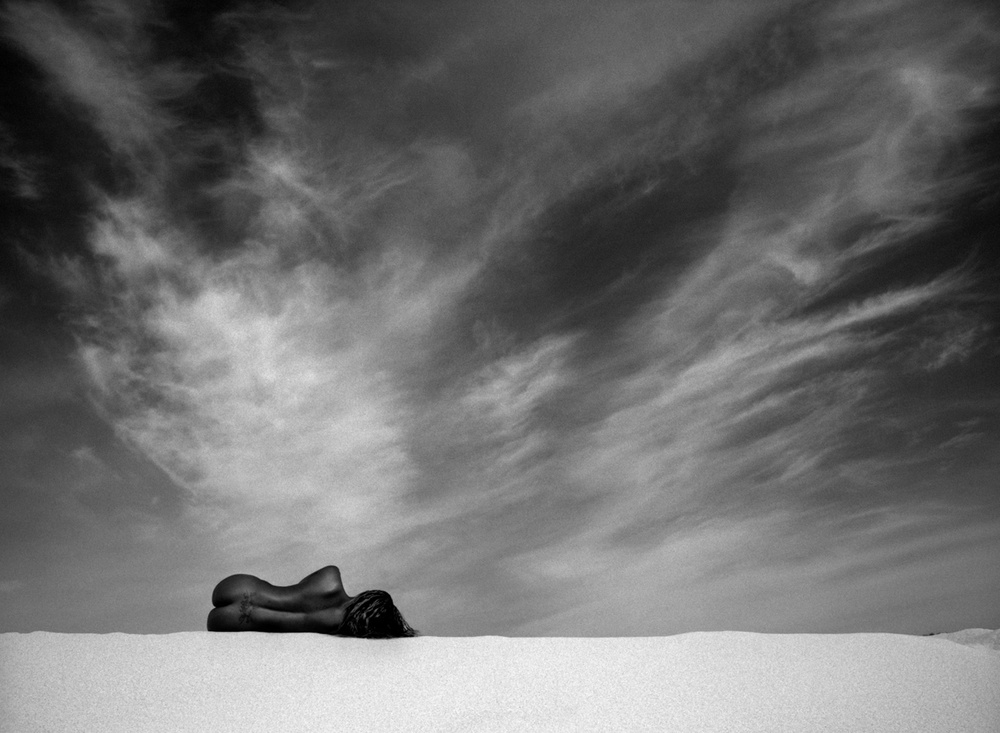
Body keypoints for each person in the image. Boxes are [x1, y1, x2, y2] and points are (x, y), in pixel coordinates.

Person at [207, 565, 418, 638]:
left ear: (366, 596)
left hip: (239, 586)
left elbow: (302, 588)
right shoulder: (339, 630)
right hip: (229, 624)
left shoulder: (331, 578)